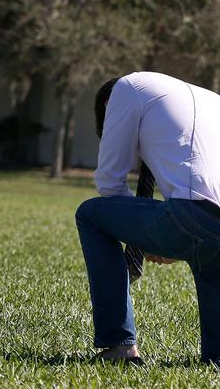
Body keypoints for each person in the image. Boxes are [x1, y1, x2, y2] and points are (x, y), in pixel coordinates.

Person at [76, 71, 220, 364]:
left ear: (107, 106)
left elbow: (110, 183)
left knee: (90, 214)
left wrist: (146, 240)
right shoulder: (210, 99)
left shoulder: (127, 89)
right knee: (210, 262)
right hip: (206, 221)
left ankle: (119, 345)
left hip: (191, 218)